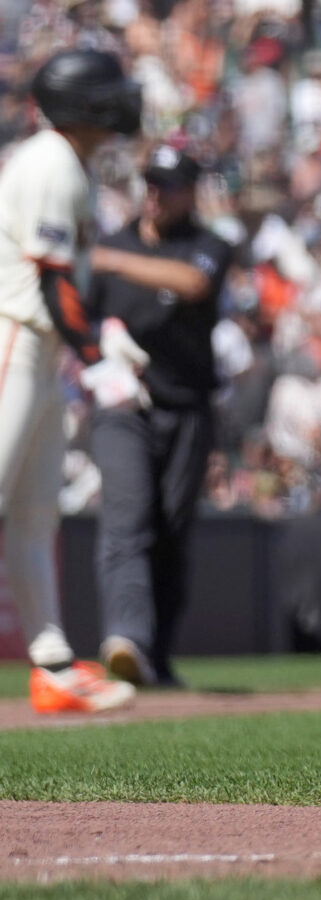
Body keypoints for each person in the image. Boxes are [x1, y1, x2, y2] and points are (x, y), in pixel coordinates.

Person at [0, 50, 142, 715]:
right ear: (83, 103)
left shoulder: (69, 160)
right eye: (109, 93)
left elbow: (69, 282)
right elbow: (53, 283)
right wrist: (97, 357)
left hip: (40, 346)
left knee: (34, 515)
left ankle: (53, 664)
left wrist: (98, 335)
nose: (122, 103)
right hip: (14, 336)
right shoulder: (52, 161)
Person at [88, 145, 233, 689]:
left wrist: (112, 262)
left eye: (167, 185)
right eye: (149, 182)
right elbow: (78, 309)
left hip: (186, 408)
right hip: (123, 404)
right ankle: (126, 638)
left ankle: (157, 656)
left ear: (190, 191)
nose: (154, 193)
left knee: (171, 532)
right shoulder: (112, 243)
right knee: (128, 520)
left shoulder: (208, 247)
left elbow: (194, 284)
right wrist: (95, 362)